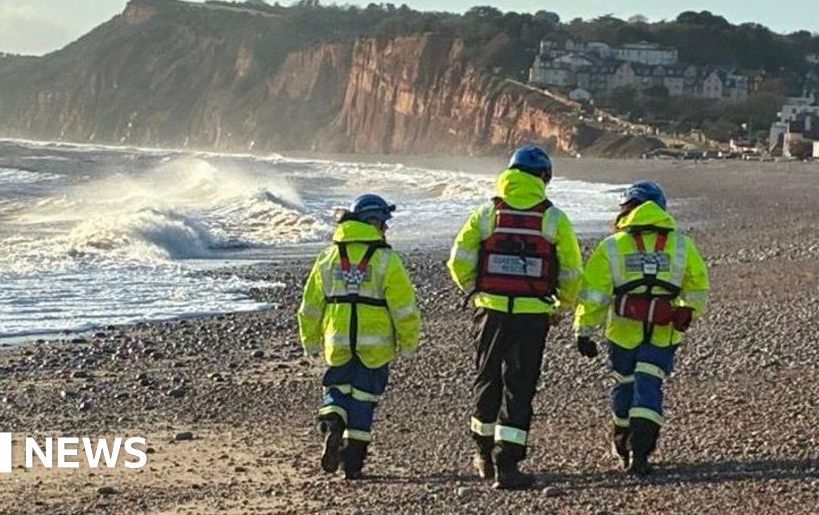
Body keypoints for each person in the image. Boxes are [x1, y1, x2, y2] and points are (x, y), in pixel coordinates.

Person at [447, 146, 583, 489]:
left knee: (487, 378)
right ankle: (507, 464)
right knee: (519, 387)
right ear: (544, 177)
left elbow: (458, 259)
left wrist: (475, 291)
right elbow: (571, 271)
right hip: (533, 313)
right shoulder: (553, 218)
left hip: (490, 311)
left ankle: (482, 454)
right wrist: (561, 307)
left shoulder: (486, 213)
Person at [573, 180, 709, 476]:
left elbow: (595, 294)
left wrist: (583, 331)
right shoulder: (682, 245)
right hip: (663, 333)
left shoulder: (612, 246)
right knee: (649, 385)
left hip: (622, 332)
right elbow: (697, 286)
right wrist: (689, 311)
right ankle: (641, 454)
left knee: (625, 385)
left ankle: (623, 444)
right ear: (660, 209)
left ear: (625, 210)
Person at [297, 194, 422, 480]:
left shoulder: (328, 258)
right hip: (375, 345)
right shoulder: (387, 259)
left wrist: (311, 341)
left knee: (336, 388)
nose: (386, 230)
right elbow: (404, 308)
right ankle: (352, 463)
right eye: (384, 224)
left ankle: (332, 422)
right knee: (364, 398)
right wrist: (409, 343)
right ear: (374, 222)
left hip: (337, 339)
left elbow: (310, 305)